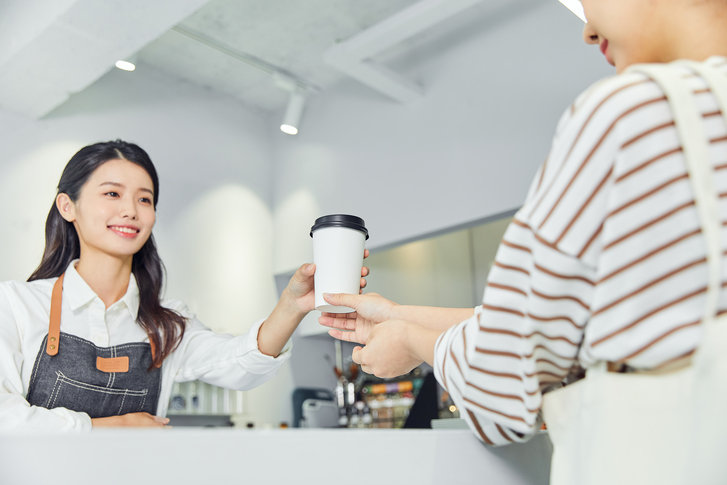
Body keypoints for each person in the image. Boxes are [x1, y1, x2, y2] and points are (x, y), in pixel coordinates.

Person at [320, 0, 727, 480]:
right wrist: (397, 316)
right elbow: (574, 332)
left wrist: (412, 341)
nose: (588, 31)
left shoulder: (634, 113)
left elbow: (506, 392)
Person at [0, 140, 368, 431]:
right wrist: (109, 427)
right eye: (112, 193)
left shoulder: (167, 323)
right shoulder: (17, 305)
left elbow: (239, 364)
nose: (130, 210)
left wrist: (292, 304)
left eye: (144, 198)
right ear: (68, 206)